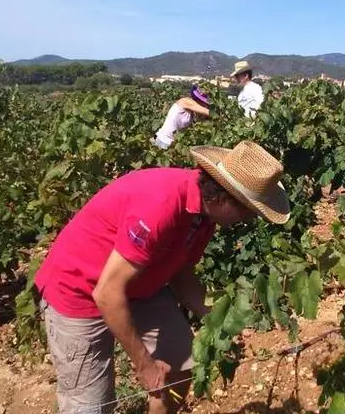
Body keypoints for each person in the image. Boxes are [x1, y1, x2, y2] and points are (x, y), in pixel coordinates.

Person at [34, 141, 290, 414]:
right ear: (222, 198)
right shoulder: (161, 204)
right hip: (80, 291)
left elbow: (180, 274)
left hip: (140, 285)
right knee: (90, 406)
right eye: (248, 210)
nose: (249, 218)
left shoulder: (204, 217)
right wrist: (145, 365)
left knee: (183, 363)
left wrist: (220, 321)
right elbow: (107, 294)